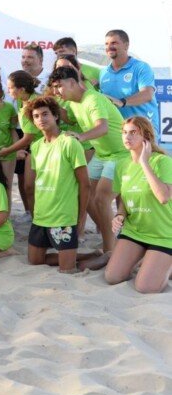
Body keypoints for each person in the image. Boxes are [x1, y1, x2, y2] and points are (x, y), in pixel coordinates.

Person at [50, 65, 129, 264]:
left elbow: (101, 127)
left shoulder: (93, 98)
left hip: (120, 154)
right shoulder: (74, 102)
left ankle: (111, 249)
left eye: (59, 86)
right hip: (102, 155)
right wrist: (54, 106)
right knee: (85, 195)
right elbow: (70, 119)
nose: (57, 91)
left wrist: (81, 136)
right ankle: (109, 236)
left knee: (102, 198)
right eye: (54, 87)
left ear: (72, 83)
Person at [104, 117, 172, 293]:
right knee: (112, 277)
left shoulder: (162, 162)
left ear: (146, 136)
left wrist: (144, 163)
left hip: (163, 234)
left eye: (134, 132)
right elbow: (125, 202)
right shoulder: (121, 165)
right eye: (125, 132)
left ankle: (162, 263)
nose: (128, 137)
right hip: (135, 231)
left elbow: (164, 197)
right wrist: (119, 215)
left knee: (145, 287)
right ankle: (150, 261)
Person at [26, 97, 91, 273]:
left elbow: (85, 184)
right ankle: (86, 255)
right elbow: (34, 185)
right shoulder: (36, 146)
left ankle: (102, 258)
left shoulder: (69, 142)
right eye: (36, 116)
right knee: (35, 261)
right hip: (41, 216)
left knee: (67, 269)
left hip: (64, 217)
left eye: (45, 114)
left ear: (55, 116)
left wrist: (81, 218)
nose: (41, 119)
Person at [100, 29, 160, 135]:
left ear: (126, 46)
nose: (109, 47)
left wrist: (122, 102)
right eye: (106, 43)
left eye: (114, 43)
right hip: (120, 132)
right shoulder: (103, 73)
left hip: (144, 130)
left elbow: (147, 94)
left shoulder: (141, 67)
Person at [0, 70, 42, 215]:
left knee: (35, 187)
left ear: (21, 89)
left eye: (11, 87)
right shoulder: (21, 100)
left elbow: (28, 137)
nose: (8, 90)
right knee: (29, 187)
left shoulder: (34, 104)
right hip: (35, 148)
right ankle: (34, 217)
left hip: (45, 148)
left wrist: (8, 150)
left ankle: (40, 218)